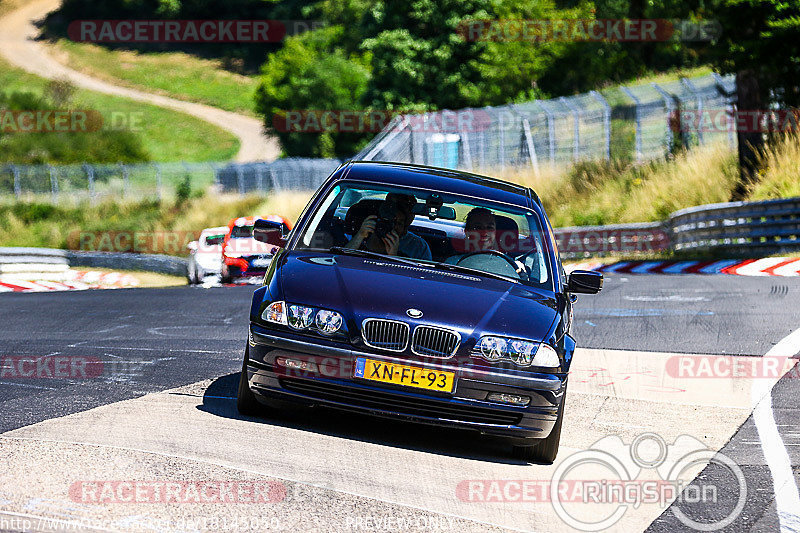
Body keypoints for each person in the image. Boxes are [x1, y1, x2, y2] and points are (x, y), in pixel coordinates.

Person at [346, 193, 432, 260]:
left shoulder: (419, 247)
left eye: (399, 223)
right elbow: (339, 261)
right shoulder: (357, 233)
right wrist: (359, 236)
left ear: (405, 227)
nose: (393, 226)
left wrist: (393, 256)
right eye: (388, 220)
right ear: (377, 220)